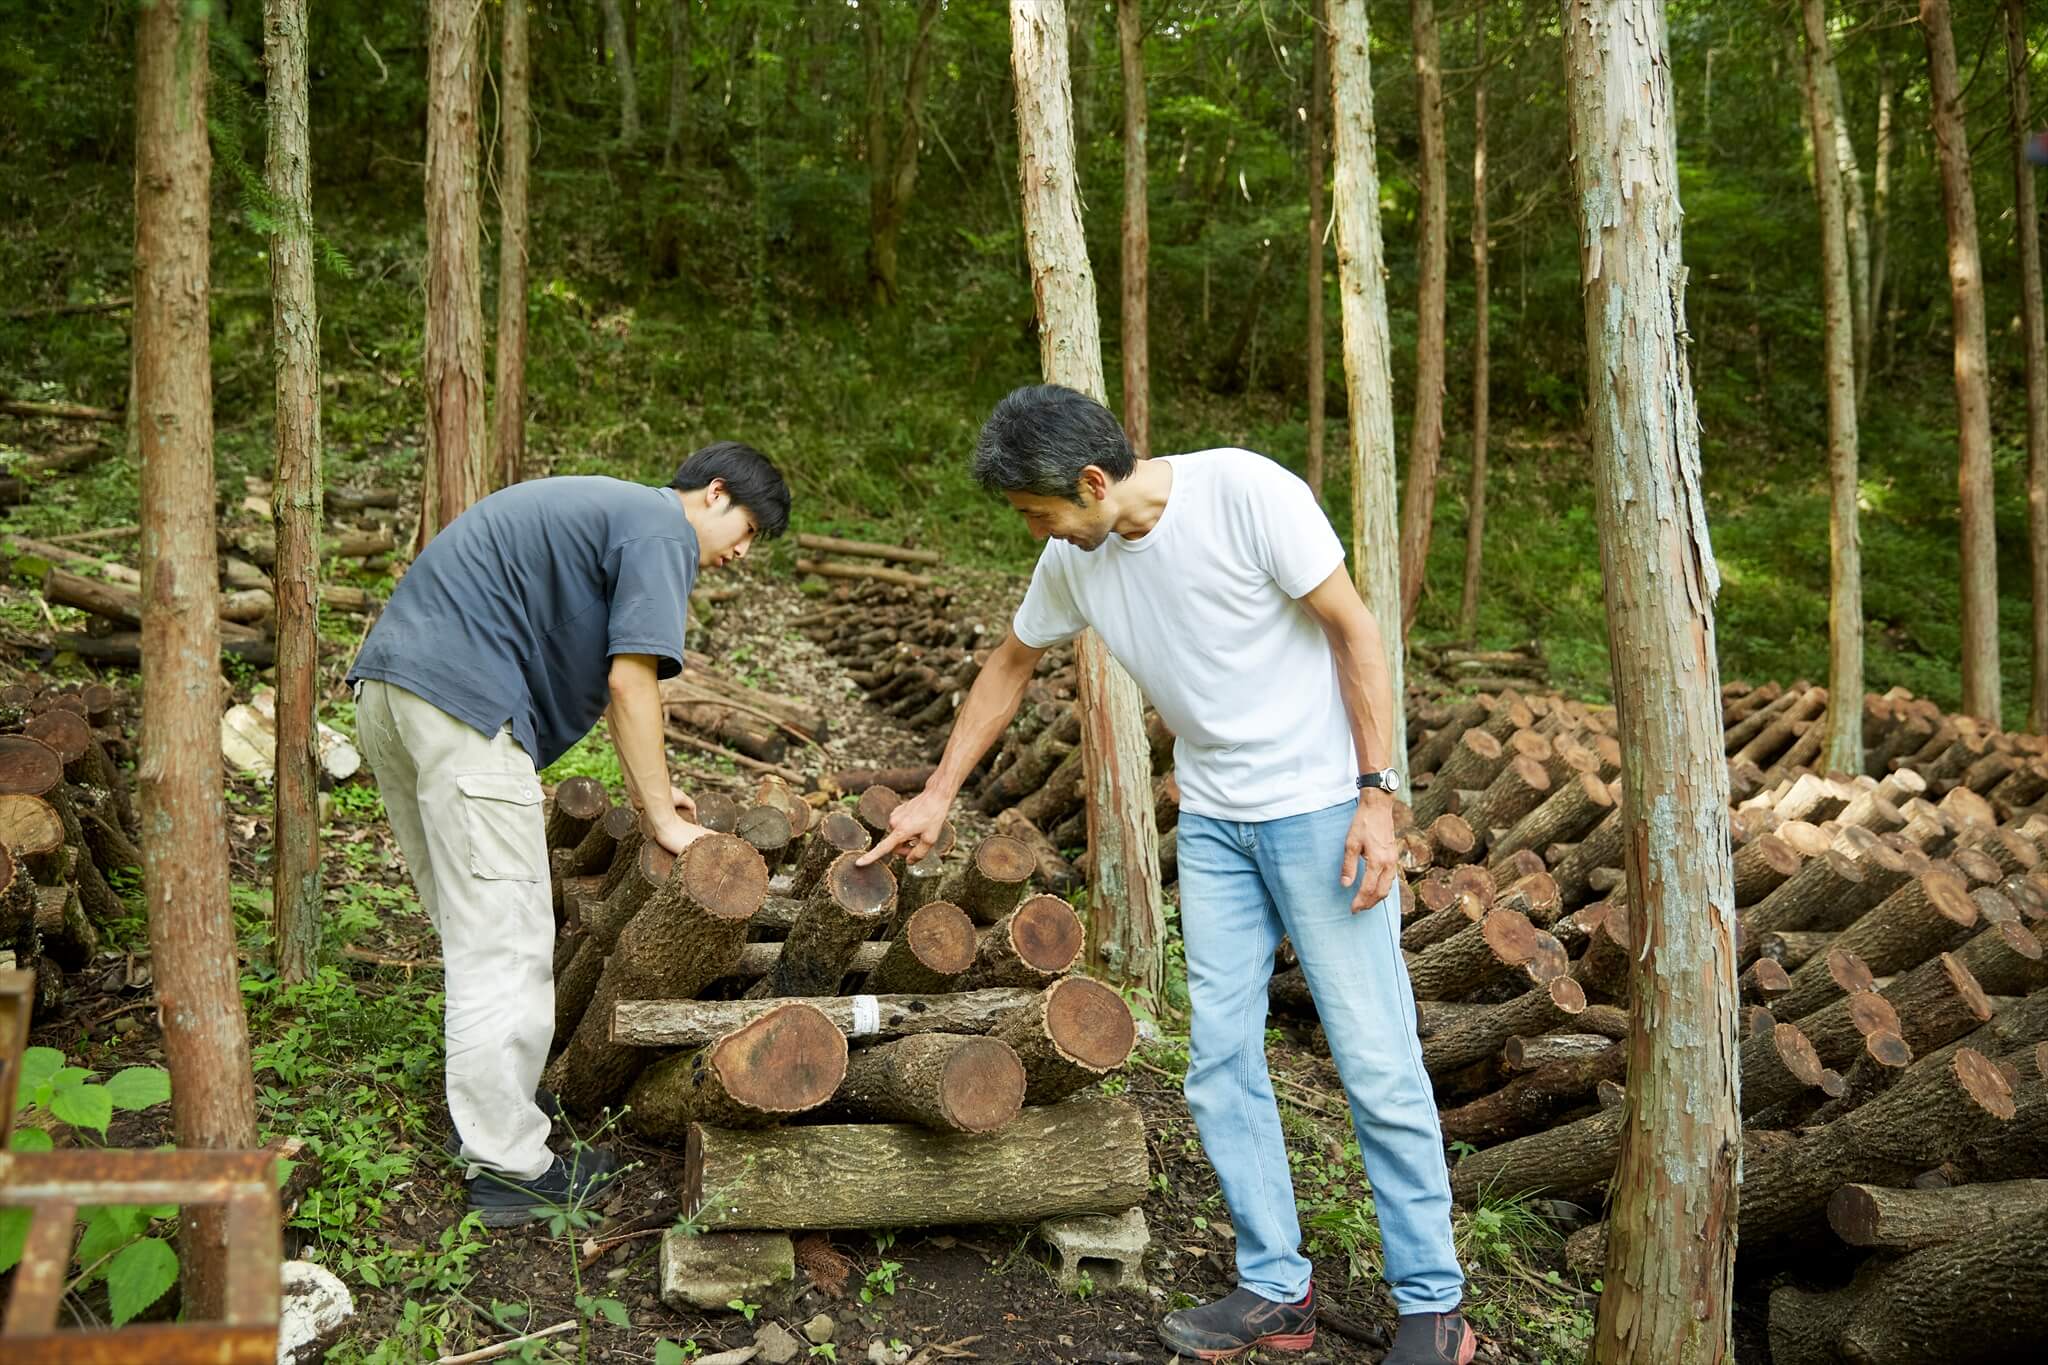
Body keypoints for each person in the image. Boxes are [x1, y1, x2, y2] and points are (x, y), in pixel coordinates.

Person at [863, 386, 1470, 1364]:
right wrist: (936, 791)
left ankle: (1432, 1302)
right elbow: (1009, 664)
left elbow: (1355, 629)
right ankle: (1276, 1288)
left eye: (1036, 509)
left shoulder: (1244, 494)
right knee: (1218, 1058)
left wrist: (1375, 794)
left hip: (1320, 808)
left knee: (1371, 1055)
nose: (1034, 530)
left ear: (1093, 482)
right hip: (1216, 823)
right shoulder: (1074, 555)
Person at [348, 442, 790, 1227]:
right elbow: (631, 679)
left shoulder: (611, 511)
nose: (742, 552)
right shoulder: (661, 528)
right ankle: (510, 1167)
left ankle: (483, 1110)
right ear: (713, 494)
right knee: (508, 940)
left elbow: (618, 682)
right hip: (461, 700)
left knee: (472, 922)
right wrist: (659, 818)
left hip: (390, 687)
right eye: (747, 528)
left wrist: (653, 787)